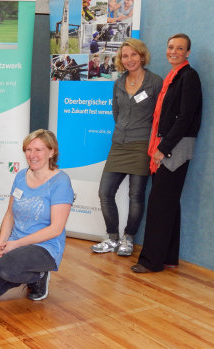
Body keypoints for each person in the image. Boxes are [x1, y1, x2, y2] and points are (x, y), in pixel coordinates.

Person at [0, 130, 74, 301]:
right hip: (15, 244)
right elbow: (10, 214)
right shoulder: (21, 176)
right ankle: (17, 270)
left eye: (38, 150)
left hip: (45, 247)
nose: (32, 155)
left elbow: (56, 229)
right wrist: (2, 243)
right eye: (28, 149)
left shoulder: (61, 182)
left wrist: (16, 244)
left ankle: (39, 276)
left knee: (7, 267)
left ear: (51, 152)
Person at [132, 33, 202, 273]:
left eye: (180, 48)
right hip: (167, 145)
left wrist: (163, 148)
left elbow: (185, 118)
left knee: (160, 204)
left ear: (187, 52)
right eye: (170, 47)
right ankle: (169, 256)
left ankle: (151, 261)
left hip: (174, 148)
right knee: (169, 202)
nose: (174, 51)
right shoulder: (174, 77)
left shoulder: (189, 76)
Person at [91, 39, 162, 256]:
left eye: (133, 55)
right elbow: (117, 113)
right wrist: (123, 129)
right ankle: (112, 237)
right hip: (119, 144)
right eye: (125, 56)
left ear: (141, 55)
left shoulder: (155, 82)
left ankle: (128, 238)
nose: (129, 59)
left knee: (136, 195)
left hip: (142, 144)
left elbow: (160, 116)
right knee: (105, 192)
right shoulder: (118, 83)